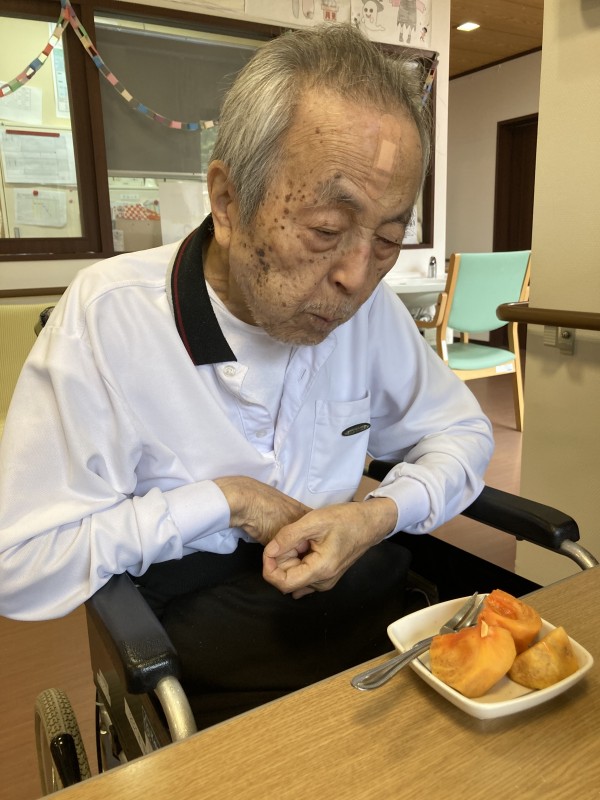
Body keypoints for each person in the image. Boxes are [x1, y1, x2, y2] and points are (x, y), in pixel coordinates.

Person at [0, 24, 493, 726]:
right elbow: (19, 562)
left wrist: (376, 514)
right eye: (326, 230)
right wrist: (227, 501)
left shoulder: (371, 312)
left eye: (387, 239)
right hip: (199, 668)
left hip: (359, 637)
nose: (357, 278)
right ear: (228, 202)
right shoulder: (112, 315)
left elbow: (462, 433)